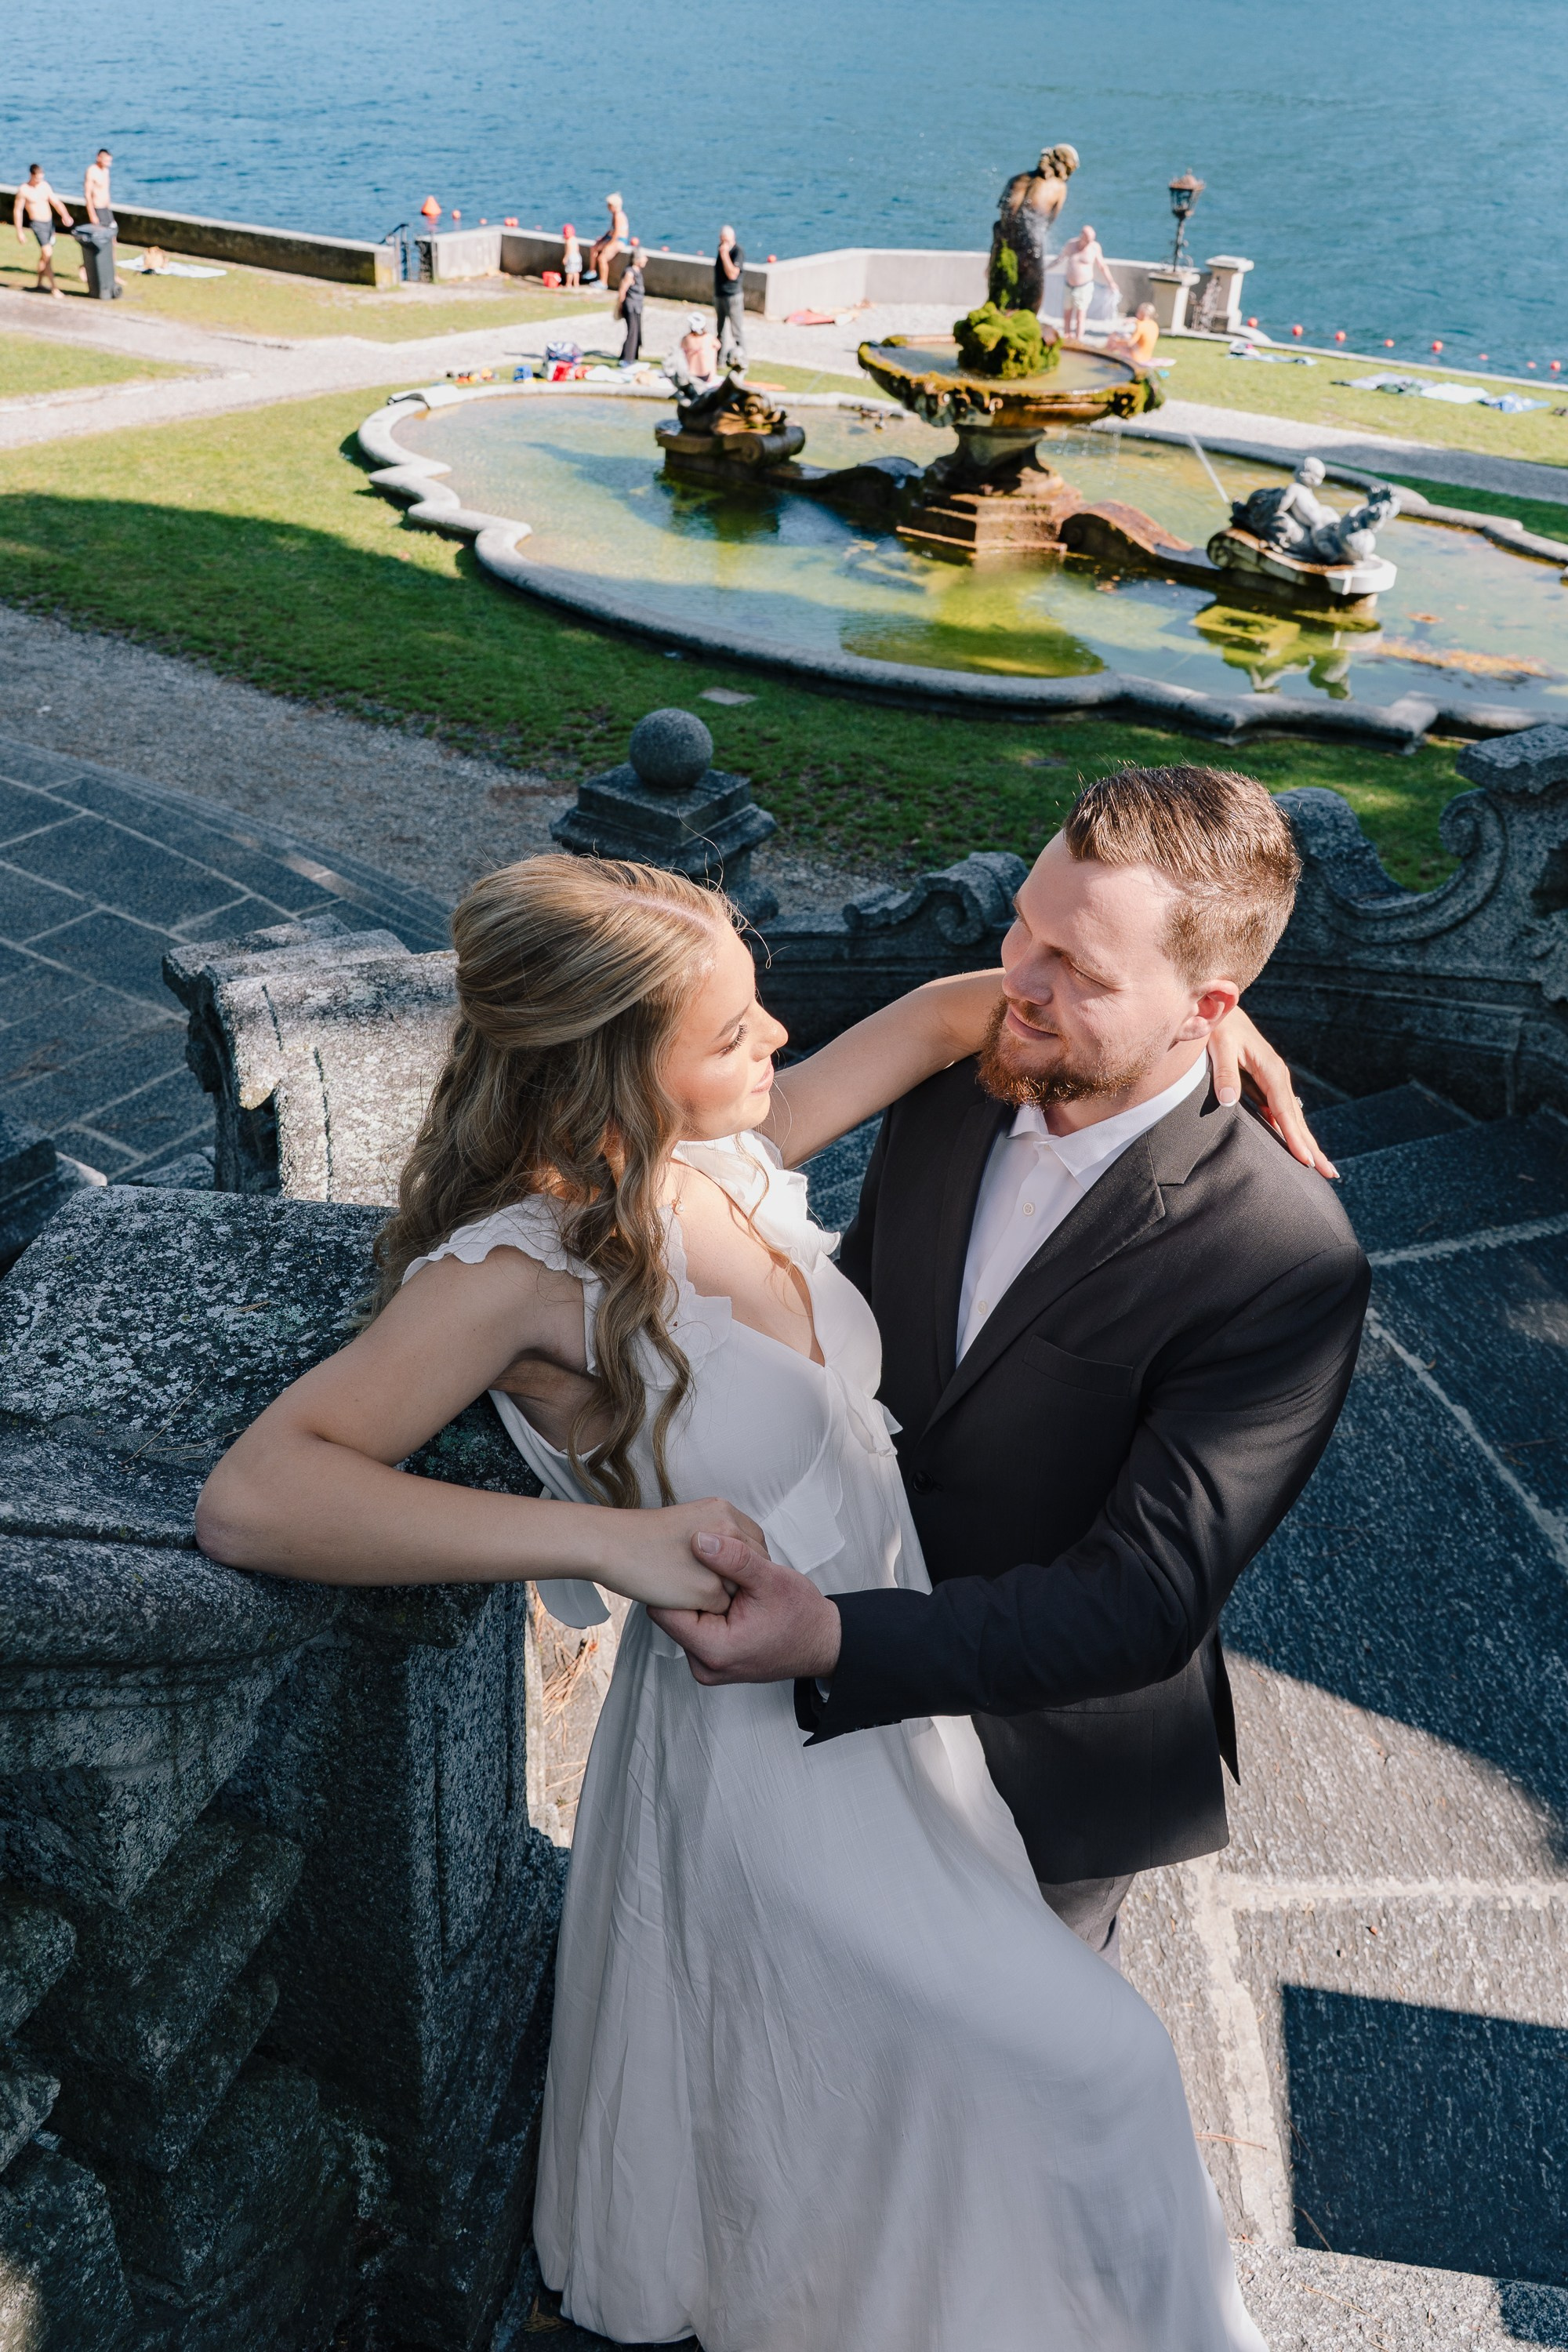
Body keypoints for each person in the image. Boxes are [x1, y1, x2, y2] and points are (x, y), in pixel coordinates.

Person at [198, 844, 1322, 2351]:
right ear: (616, 1073)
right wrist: (603, 1545)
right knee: (1094, 2068)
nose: (778, 1043)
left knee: (896, 2103)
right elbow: (261, 1494)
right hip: (761, 1760)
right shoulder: (523, 1269)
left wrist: (1195, 1028)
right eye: (733, 1033)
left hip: (910, 1732)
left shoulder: (715, 1151)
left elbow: (950, 1010)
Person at [652, 766, 1369, 1987]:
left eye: (1077, 970)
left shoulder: (1283, 1261)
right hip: (808, 1708)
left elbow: (1143, 1602)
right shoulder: (958, 1081)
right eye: (1020, 930)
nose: (1017, 988)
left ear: (1209, 1007)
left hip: (1045, 1779)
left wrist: (833, 1638)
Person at [12, 165, 73, 299]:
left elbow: (56, 202)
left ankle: (39, 284)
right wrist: (19, 231)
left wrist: (65, 215)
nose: (39, 181)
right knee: (48, 254)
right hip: (37, 224)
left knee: (44, 256)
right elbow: (18, 211)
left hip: (49, 224)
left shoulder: (45, 186)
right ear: (32, 176)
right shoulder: (24, 190)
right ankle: (54, 288)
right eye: (37, 179)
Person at [1058, 223, 1119, 338]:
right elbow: (1060, 258)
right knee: (1067, 314)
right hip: (1069, 285)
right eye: (1087, 239)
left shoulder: (1094, 248)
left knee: (1080, 316)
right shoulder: (1071, 245)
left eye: (1091, 240)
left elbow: (1102, 266)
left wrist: (1111, 282)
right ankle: (1067, 336)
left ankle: (1078, 339)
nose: (1089, 242)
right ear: (1082, 236)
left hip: (1084, 287)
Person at [714, 222, 746, 365]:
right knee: (720, 331)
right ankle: (719, 360)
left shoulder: (737, 252)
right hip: (720, 295)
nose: (722, 243)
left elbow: (732, 274)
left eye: (725, 240)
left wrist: (725, 254)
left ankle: (742, 359)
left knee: (736, 331)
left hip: (733, 296)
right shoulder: (721, 249)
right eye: (721, 240)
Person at [671, 311, 720, 392]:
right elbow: (718, 346)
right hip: (707, 376)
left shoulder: (687, 339)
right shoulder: (710, 338)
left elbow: (681, 348)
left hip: (691, 375)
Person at [615, 241, 645, 365]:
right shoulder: (630, 272)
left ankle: (633, 356)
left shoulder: (637, 271)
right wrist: (620, 305)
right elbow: (622, 290)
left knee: (637, 331)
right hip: (631, 306)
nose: (646, 260)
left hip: (637, 306)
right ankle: (627, 358)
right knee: (632, 332)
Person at [587, 191, 627, 286]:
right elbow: (611, 230)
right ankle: (592, 271)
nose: (607, 207)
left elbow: (617, 233)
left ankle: (603, 282)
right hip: (612, 239)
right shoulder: (615, 215)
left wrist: (609, 245)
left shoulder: (618, 216)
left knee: (602, 258)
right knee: (594, 248)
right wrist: (603, 239)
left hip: (618, 241)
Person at [1109, 298, 1160, 365]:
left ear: (1142, 314)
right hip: (1147, 357)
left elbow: (1130, 343)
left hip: (1138, 358)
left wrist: (1116, 341)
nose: (1136, 314)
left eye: (1138, 312)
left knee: (1116, 337)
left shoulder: (1141, 326)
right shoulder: (1154, 324)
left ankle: (1108, 357)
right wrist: (1135, 320)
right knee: (1125, 336)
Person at [83, 147, 113, 225]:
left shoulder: (106, 170)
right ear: (99, 158)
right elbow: (87, 194)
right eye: (106, 161)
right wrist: (92, 215)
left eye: (109, 161)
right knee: (101, 235)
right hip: (98, 209)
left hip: (106, 208)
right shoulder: (92, 171)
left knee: (112, 233)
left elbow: (106, 191)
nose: (109, 164)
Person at [560, 222, 581, 290]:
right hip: (577, 256)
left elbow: (569, 251)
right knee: (576, 272)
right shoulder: (575, 239)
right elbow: (577, 248)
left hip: (571, 257)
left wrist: (565, 258)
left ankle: (568, 284)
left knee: (570, 272)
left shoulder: (568, 241)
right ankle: (576, 284)